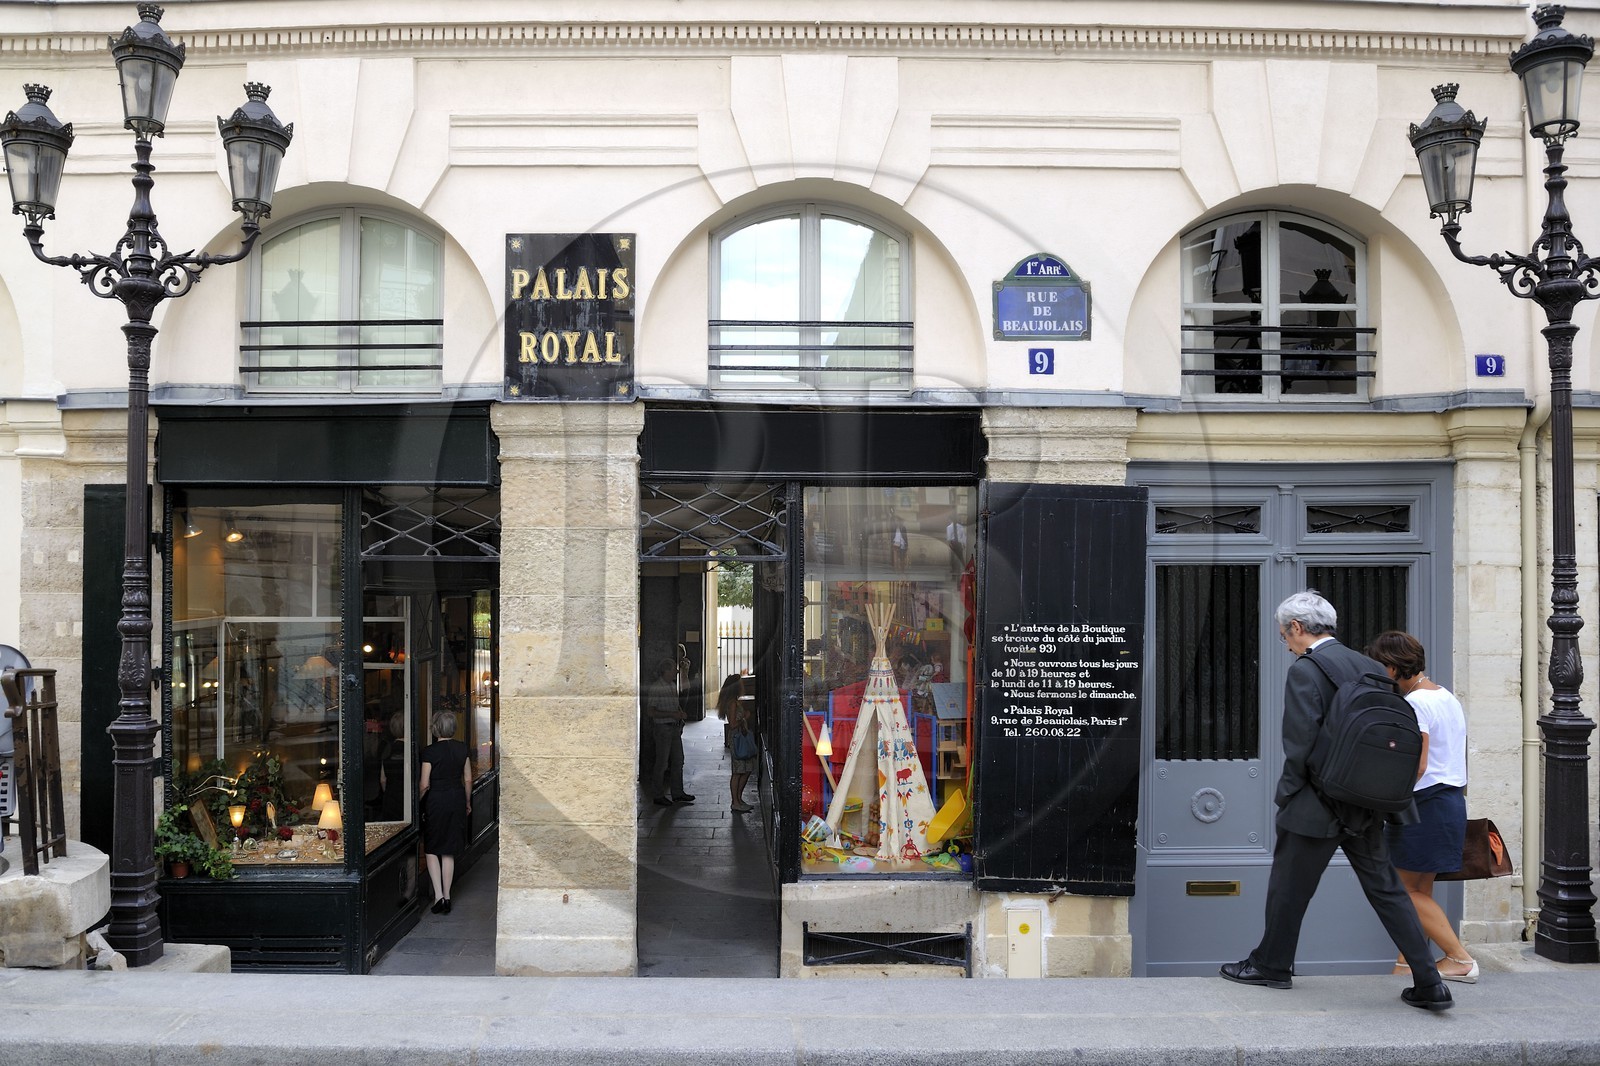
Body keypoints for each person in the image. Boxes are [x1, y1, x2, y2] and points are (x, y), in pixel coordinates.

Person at [1220, 590, 1453, 1011]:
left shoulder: (1307, 670)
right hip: (1367, 801)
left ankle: (1272, 965)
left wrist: (1286, 796)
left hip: (1316, 803)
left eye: (1283, 635)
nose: (1285, 643)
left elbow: (1300, 744)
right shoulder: (1370, 666)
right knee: (1387, 890)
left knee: (1289, 889)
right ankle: (1430, 980)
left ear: (1296, 628)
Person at [1365, 631, 1478, 983]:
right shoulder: (1445, 697)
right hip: (1446, 802)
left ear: (1395, 667)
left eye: (1381, 667)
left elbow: (1417, 763)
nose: (1380, 675)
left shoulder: (1415, 704)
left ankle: (1460, 959)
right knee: (1420, 890)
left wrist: (1381, 795)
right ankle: (1408, 964)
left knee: (1401, 891)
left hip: (1425, 804)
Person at [419, 709, 471, 914]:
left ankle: (438, 896)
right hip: (456, 798)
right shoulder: (462, 749)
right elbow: (467, 779)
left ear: (435, 728)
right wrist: (467, 801)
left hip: (436, 801)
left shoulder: (429, 752)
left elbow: (424, 784)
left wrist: (416, 802)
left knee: (432, 847)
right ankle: (448, 897)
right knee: (448, 848)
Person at [645, 657, 694, 807]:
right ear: (666, 671)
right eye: (674, 669)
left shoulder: (672, 685)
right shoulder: (656, 688)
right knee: (662, 764)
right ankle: (658, 795)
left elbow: (675, 705)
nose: (676, 672)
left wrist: (679, 714)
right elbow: (651, 712)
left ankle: (677, 792)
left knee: (678, 760)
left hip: (674, 728)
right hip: (662, 729)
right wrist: (672, 715)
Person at [717, 673, 756, 813]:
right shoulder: (732, 703)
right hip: (737, 737)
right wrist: (744, 717)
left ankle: (738, 799)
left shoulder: (734, 701)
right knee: (738, 771)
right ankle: (735, 801)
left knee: (745, 769)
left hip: (740, 736)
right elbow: (732, 724)